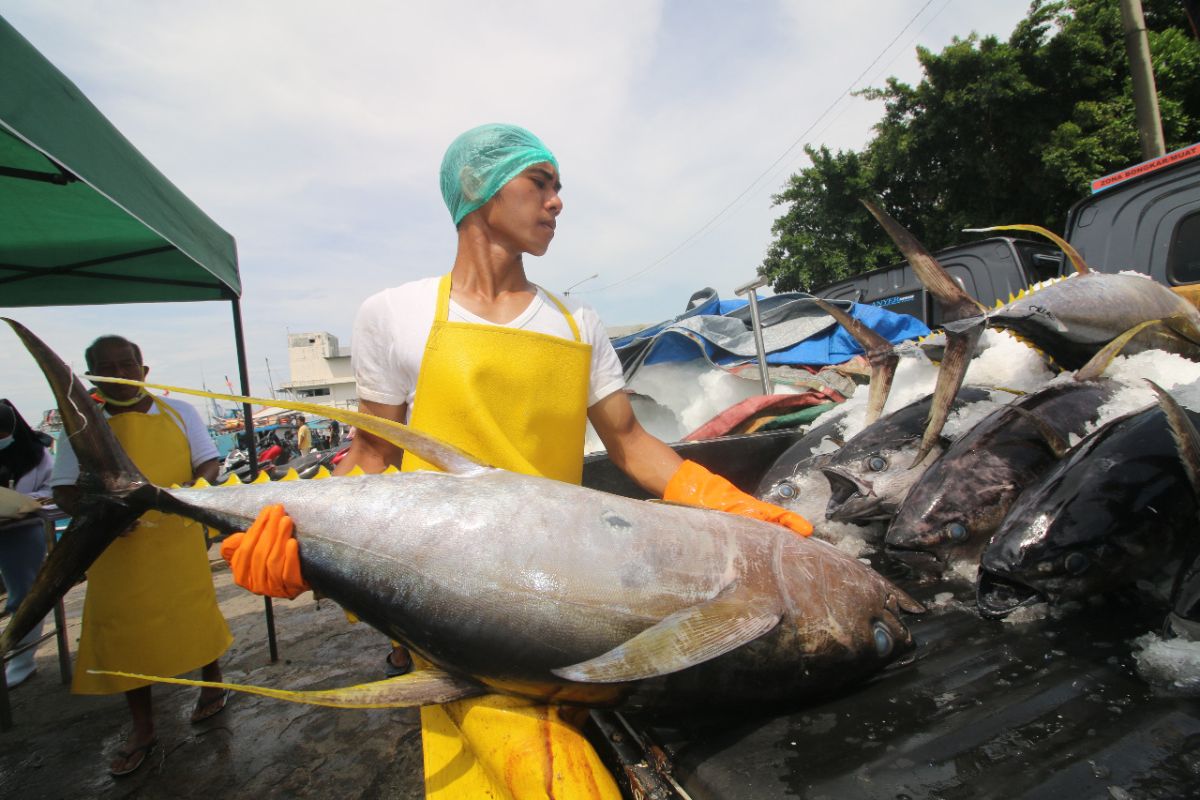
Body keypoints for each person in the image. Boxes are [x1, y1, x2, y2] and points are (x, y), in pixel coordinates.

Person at [222, 124, 812, 799]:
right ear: (477, 189)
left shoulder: (576, 323)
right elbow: (373, 456)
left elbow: (631, 443)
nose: (558, 201)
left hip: (570, 593)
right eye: (541, 182)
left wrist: (734, 504)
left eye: (559, 187)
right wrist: (301, 545)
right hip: (447, 589)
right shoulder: (394, 314)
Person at [51, 336, 232, 778]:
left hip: (176, 538)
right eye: (107, 365)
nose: (120, 371)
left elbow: (208, 463)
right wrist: (103, 515)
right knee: (128, 636)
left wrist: (190, 494)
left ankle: (212, 687)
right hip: (117, 548)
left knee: (194, 615)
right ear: (92, 376)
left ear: (143, 370)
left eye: (127, 363)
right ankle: (143, 728)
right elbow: (64, 491)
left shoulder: (180, 412)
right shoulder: (80, 427)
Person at [0, 399, 54, 688]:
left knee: (24, 596)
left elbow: (51, 487)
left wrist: (25, 502)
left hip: (21, 528)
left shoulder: (35, 453)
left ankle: (21, 662)